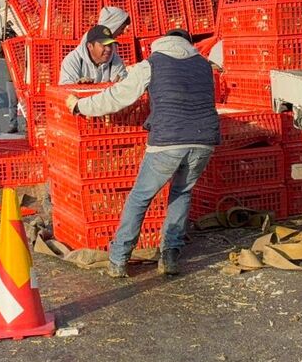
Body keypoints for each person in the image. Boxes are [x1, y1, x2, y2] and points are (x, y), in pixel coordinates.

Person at [65, 29, 219, 278]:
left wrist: (80, 106)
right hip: (204, 140)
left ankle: (118, 259)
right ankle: (170, 256)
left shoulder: (152, 63)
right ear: (188, 45)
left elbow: (118, 97)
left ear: (163, 42)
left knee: (140, 197)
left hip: (169, 140)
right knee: (181, 194)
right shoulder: (204, 65)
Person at [59, 24, 127, 85]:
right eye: (104, 45)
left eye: (110, 45)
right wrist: (79, 87)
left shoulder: (115, 60)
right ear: (90, 46)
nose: (108, 49)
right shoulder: (73, 60)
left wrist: (119, 86)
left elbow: (124, 85)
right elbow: (65, 89)